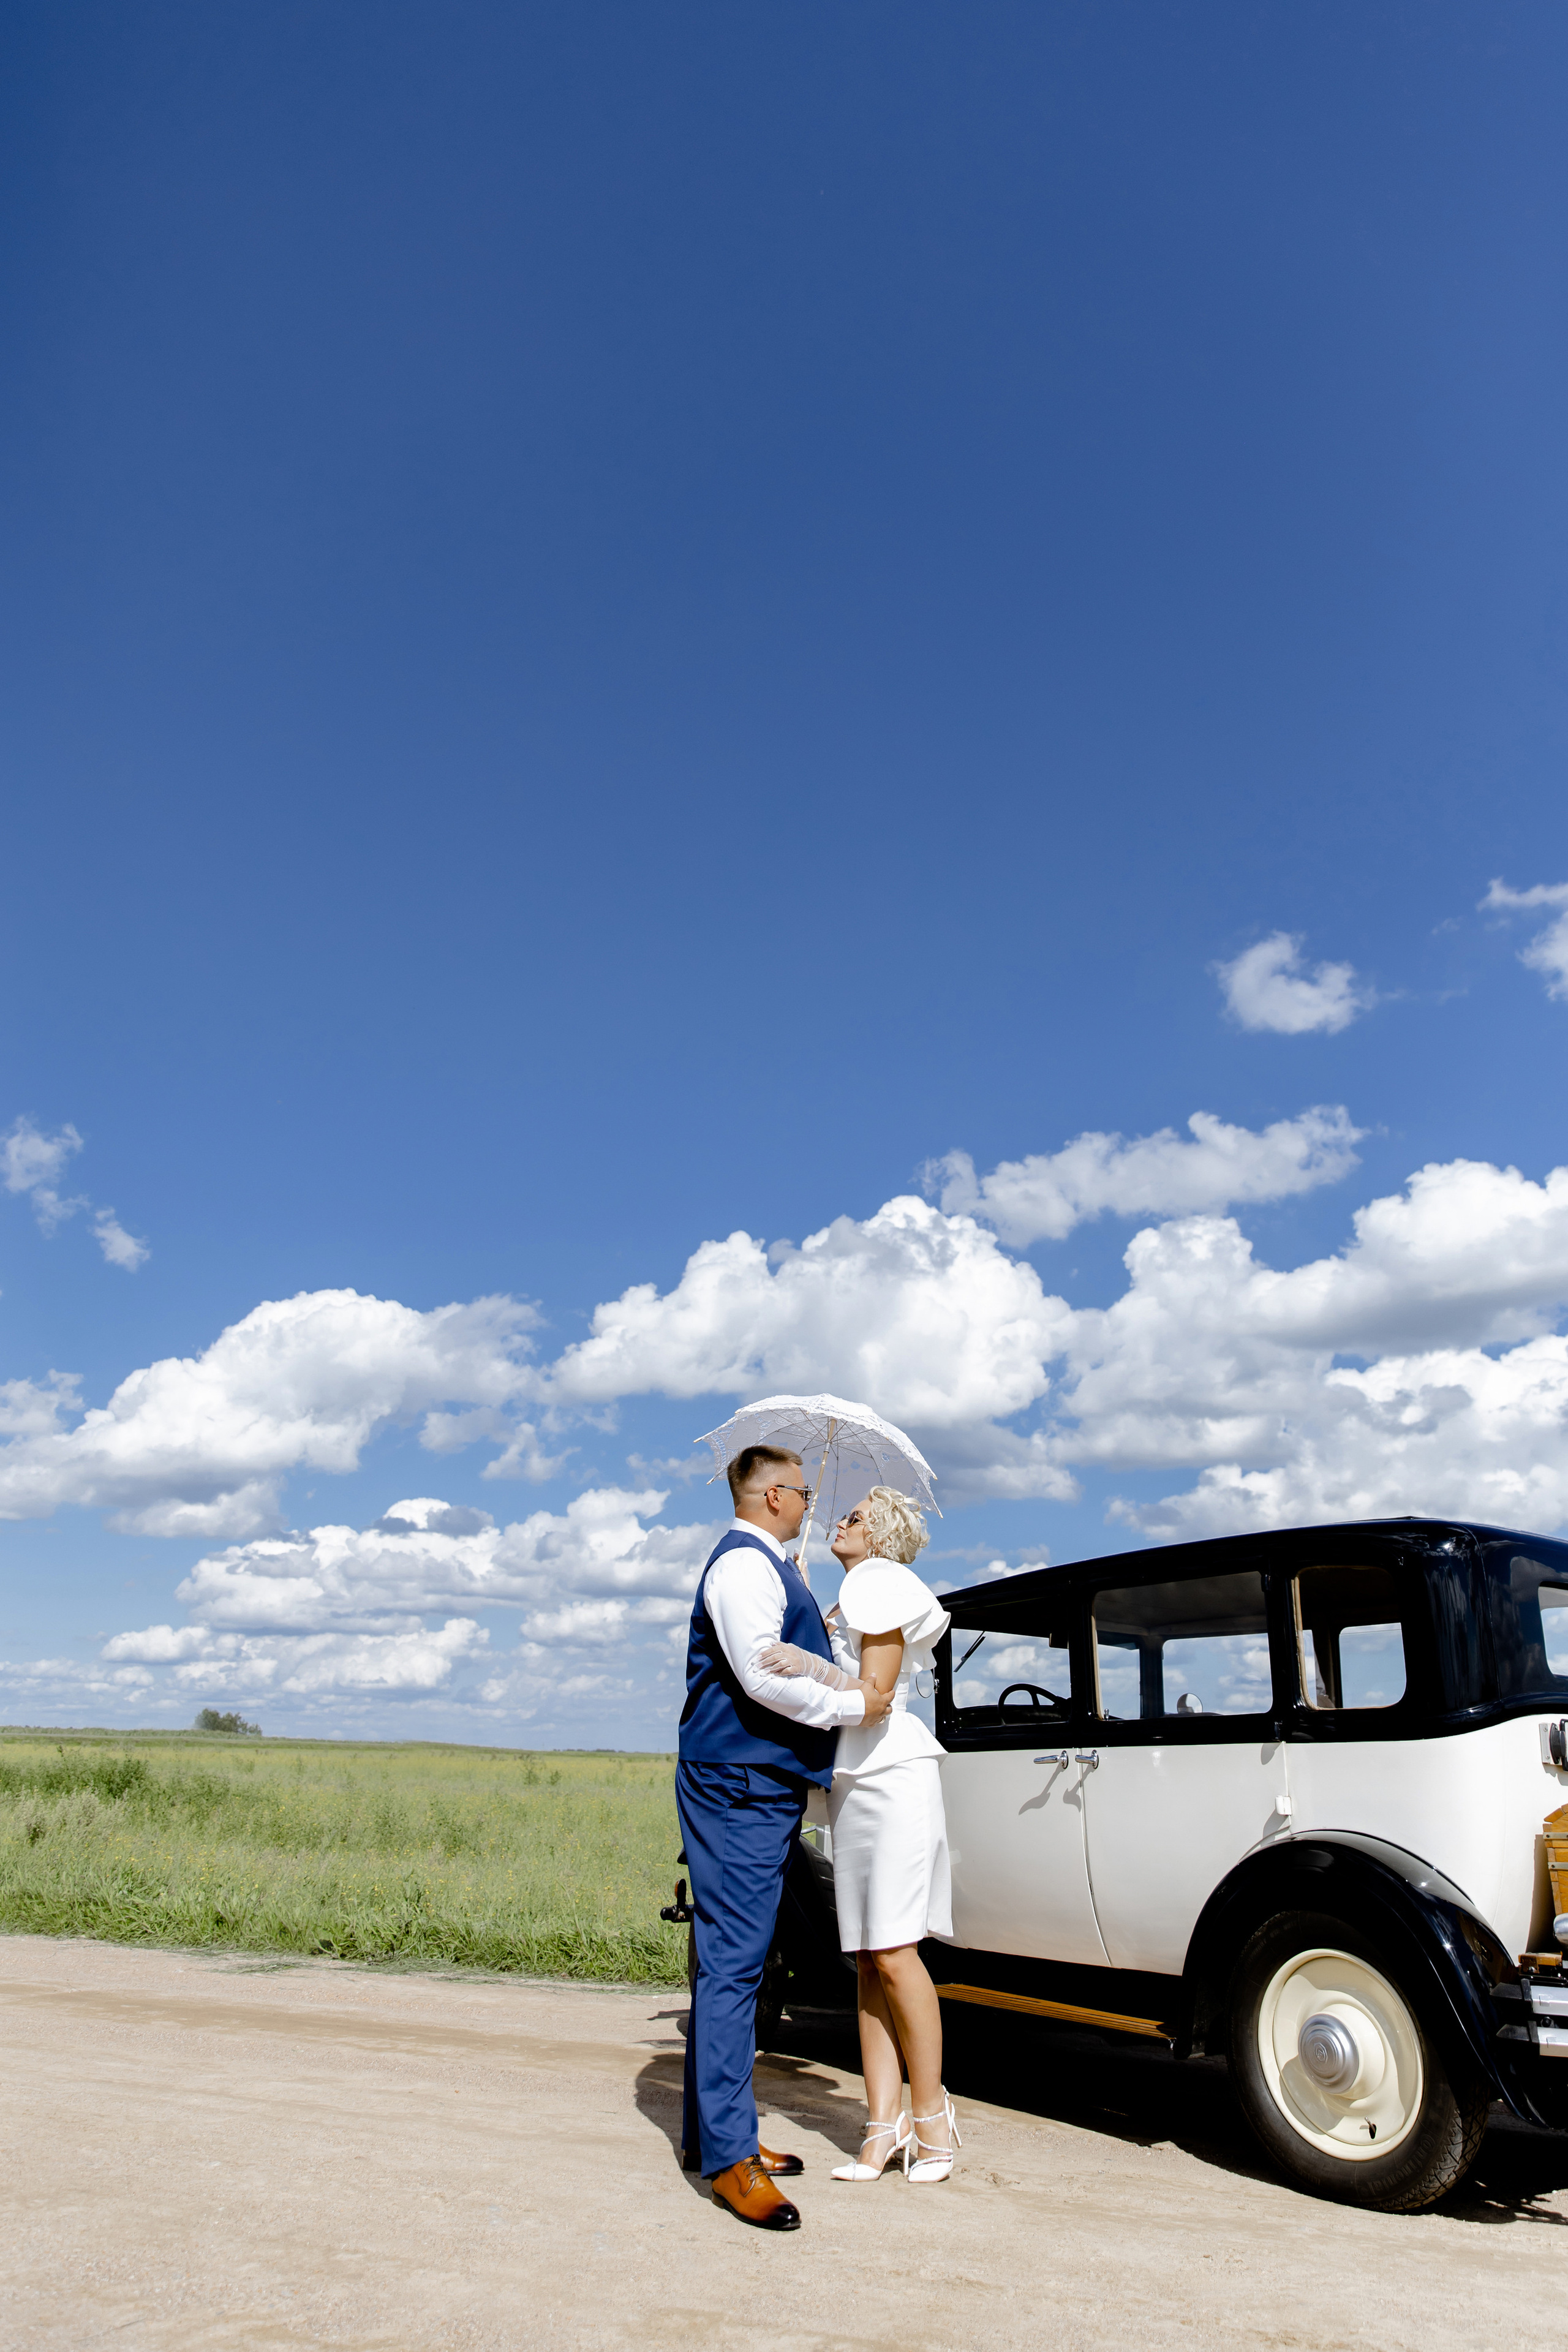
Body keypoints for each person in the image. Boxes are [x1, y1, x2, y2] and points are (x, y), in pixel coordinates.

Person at [676, 1443, 892, 2231]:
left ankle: (716, 2137)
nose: (810, 1500)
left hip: (756, 1785)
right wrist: (854, 1708)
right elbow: (762, 1677)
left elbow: (787, 1657)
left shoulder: (774, 1565)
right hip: (736, 1782)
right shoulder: (742, 1567)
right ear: (771, 1496)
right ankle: (733, 2161)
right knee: (735, 1967)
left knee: (735, 1962)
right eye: (802, 1489)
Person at [760, 1486, 960, 2184]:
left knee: (896, 1952)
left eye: (852, 1518)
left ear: (878, 1537)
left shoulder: (879, 1583)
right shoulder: (852, 1593)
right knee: (869, 1959)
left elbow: (873, 1697)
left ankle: (933, 2122)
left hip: (889, 1775)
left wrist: (810, 1662)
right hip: (856, 1782)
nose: (837, 1524)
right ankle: (881, 2127)